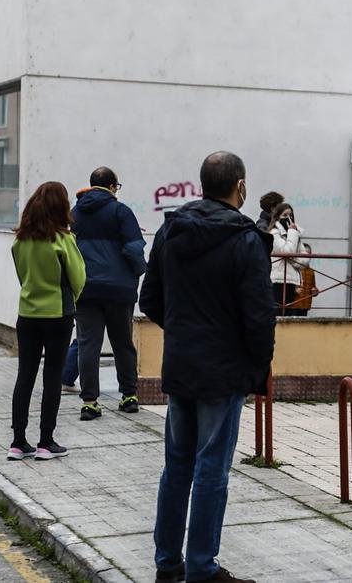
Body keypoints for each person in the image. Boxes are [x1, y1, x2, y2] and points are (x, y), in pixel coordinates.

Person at [140, 152, 275, 583]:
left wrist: (182, 331)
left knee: (177, 466)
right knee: (212, 469)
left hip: (181, 365)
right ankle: (201, 567)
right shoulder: (247, 239)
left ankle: (167, 565)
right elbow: (259, 315)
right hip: (223, 370)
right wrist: (257, 366)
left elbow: (150, 300)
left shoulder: (171, 230)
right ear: (240, 187)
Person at [8, 182, 86, 462]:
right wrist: (70, 298)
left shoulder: (20, 240)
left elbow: (21, 276)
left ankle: (17, 442)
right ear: (61, 207)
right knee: (52, 377)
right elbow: (78, 278)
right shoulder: (64, 240)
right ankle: (45, 441)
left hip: (27, 314)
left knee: (24, 376)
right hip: (58, 315)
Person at [71, 167, 147, 421]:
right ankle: (129, 396)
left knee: (87, 345)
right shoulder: (121, 211)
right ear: (113, 186)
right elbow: (134, 248)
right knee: (122, 343)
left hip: (86, 289)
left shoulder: (76, 213)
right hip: (118, 290)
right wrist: (138, 272)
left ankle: (90, 402)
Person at [267, 202, 310, 317]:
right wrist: (292, 232)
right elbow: (288, 251)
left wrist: (291, 258)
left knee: (288, 315)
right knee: (278, 315)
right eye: (285, 215)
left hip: (292, 281)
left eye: (291, 215)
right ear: (277, 217)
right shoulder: (274, 234)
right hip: (278, 281)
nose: (289, 218)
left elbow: (305, 259)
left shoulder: (295, 235)